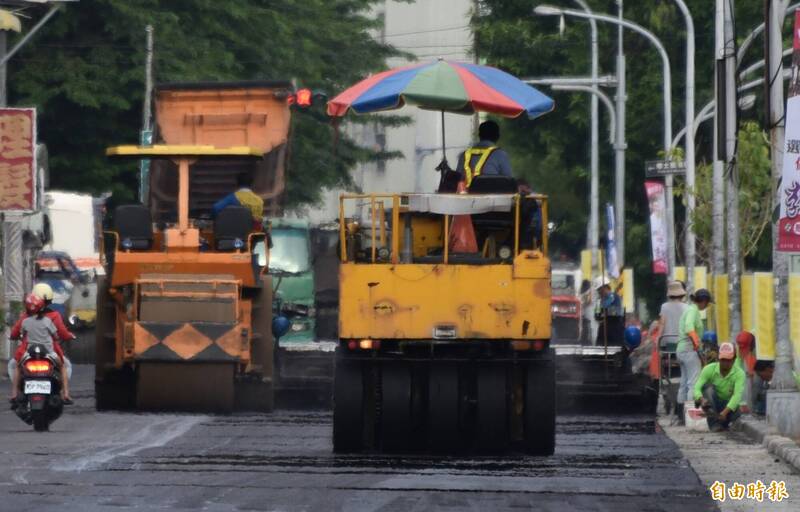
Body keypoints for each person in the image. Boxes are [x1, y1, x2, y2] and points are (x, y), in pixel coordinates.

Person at [9, 294, 72, 404]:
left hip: (30, 353)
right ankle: (65, 394)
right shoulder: (48, 321)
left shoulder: (25, 321)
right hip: (48, 353)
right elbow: (56, 336)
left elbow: (21, 335)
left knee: (18, 367)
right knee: (62, 366)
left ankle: (14, 394)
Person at [675, 288, 713, 424]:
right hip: (689, 350)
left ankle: (680, 416)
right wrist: (697, 344)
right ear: (703, 301)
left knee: (684, 383)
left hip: (681, 350)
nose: (707, 306)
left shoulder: (689, 309)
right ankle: (691, 417)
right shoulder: (693, 311)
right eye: (707, 303)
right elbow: (689, 327)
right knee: (693, 383)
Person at [694, 342, 746, 431]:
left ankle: (725, 423)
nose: (725, 363)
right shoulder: (709, 369)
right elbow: (697, 388)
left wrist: (724, 413)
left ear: (734, 360)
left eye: (728, 360)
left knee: (737, 410)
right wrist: (701, 399)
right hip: (713, 405)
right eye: (723, 359)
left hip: (727, 405)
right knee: (708, 389)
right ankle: (714, 424)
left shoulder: (739, 374)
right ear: (718, 358)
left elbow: (737, 396)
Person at [455, 120, 513, 188]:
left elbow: (457, 178)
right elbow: (508, 181)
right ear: (497, 136)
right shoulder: (500, 155)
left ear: (479, 135)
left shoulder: (464, 155)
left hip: (466, 196)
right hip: (493, 196)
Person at [658, 281, 687, 351]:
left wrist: (658, 338)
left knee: (665, 358)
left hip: (667, 343)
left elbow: (662, 324)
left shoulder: (664, 306)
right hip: (682, 342)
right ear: (682, 294)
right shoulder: (687, 307)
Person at [594, 280, 624, 346]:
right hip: (603, 332)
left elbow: (617, 312)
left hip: (615, 330)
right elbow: (597, 316)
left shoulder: (615, 297)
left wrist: (604, 312)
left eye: (600, 289)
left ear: (605, 287)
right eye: (598, 290)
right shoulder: (599, 301)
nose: (599, 292)